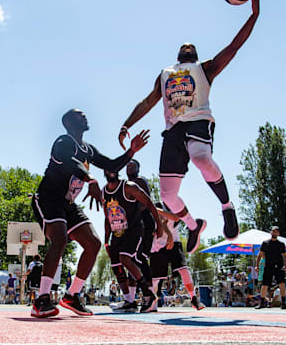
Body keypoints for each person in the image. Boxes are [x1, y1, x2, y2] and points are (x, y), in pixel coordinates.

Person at [118, 0, 260, 253]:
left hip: (197, 121)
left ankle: (227, 207)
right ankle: (194, 226)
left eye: (190, 46)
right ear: (177, 55)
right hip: (172, 131)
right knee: (168, 195)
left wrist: (253, 15)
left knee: (201, 158)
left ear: (194, 54)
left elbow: (234, 46)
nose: (186, 46)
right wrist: (127, 123)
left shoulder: (205, 69)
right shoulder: (165, 74)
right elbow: (149, 101)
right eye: (183, 46)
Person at [30, 108, 150, 318]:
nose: (84, 115)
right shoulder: (63, 142)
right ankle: (41, 298)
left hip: (68, 203)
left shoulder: (88, 149)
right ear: (68, 122)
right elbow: (71, 162)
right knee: (59, 240)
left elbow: (111, 165)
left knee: (93, 243)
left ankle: (72, 295)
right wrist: (90, 179)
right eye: (79, 114)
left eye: (84, 113)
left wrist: (131, 152)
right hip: (49, 199)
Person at [103, 167, 173, 313]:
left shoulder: (132, 185)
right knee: (118, 264)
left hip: (138, 228)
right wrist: (106, 239)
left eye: (132, 166)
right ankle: (130, 300)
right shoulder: (105, 192)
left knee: (131, 259)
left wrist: (159, 226)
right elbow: (108, 215)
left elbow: (148, 203)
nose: (129, 167)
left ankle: (149, 294)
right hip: (119, 230)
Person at [148, 202, 205, 311]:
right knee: (155, 279)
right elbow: (162, 223)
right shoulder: (158, 206)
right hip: (158, 246)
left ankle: (193, 297)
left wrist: (154, 209)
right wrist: (153, 209)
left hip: (174, 243)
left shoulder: (176, 207)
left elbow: (174, 218)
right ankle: (152, 302)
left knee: (183, 269)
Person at [255, 226, 286, 310]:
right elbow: (259, 255)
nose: (274, 233)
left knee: (282, 284)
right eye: (273, 231)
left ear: (278, 234)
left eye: (276, 232)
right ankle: (262, 303)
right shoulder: (265, 243)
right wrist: (257, 265)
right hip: (268, 266)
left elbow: (285, 256)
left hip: (279, 266)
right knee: (265, 284)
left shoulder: (281, 244)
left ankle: (284, 303)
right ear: (271, 232)